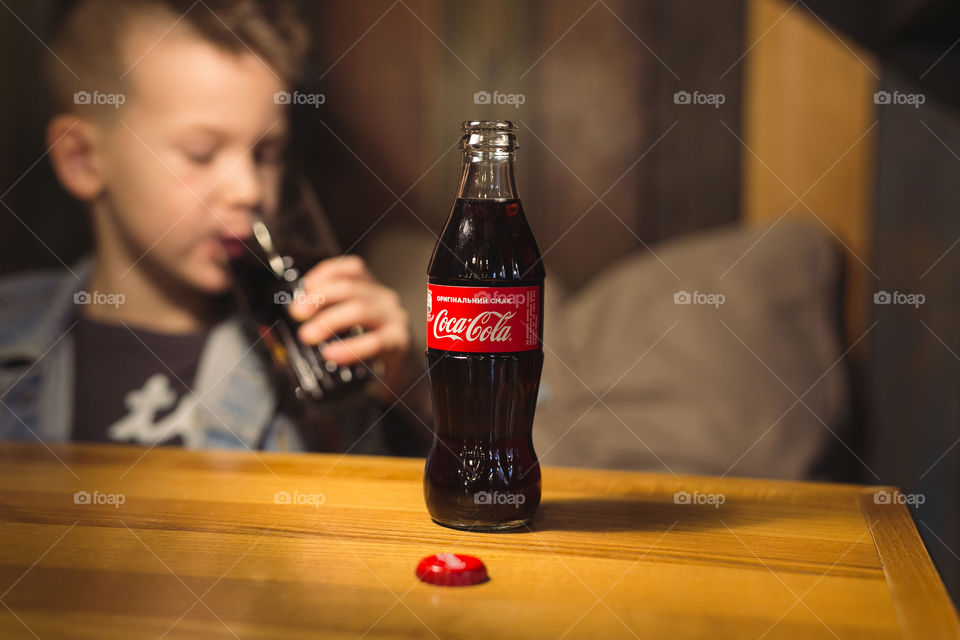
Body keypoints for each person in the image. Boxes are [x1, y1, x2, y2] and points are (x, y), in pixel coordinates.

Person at [0, 0, 429, 454]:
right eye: (201, 153)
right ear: (83, 159)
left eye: (266, 154)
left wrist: (407, 388)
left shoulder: (307, 349)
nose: (247, 190)